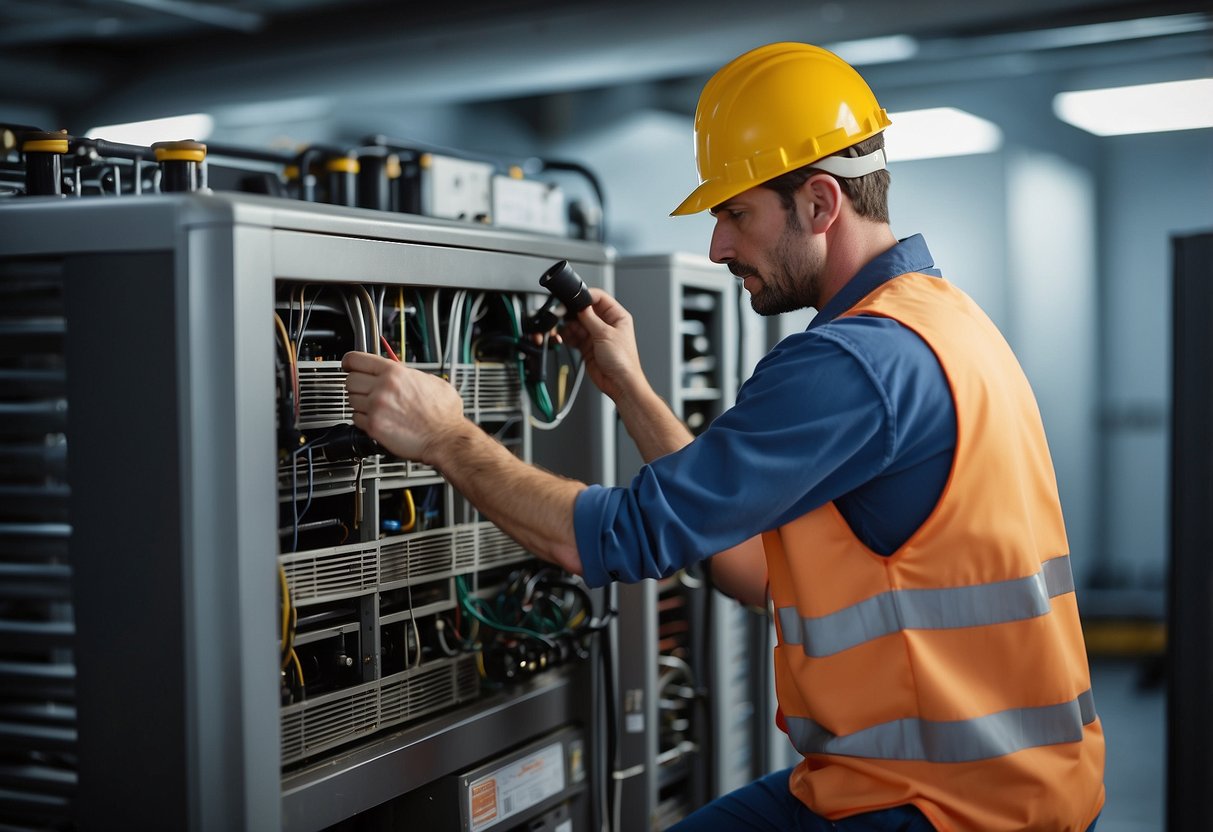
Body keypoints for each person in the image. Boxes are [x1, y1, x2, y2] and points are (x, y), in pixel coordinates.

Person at [342, 41, 1105, 832]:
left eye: (736, 214)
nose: (717, 248)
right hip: (974, 786)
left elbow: (618, 538)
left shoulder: (852, 363)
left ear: (818, 203)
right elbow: (752, 572)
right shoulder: (939, 323)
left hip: (940, 808)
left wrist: (443, 436)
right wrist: (628, 388)